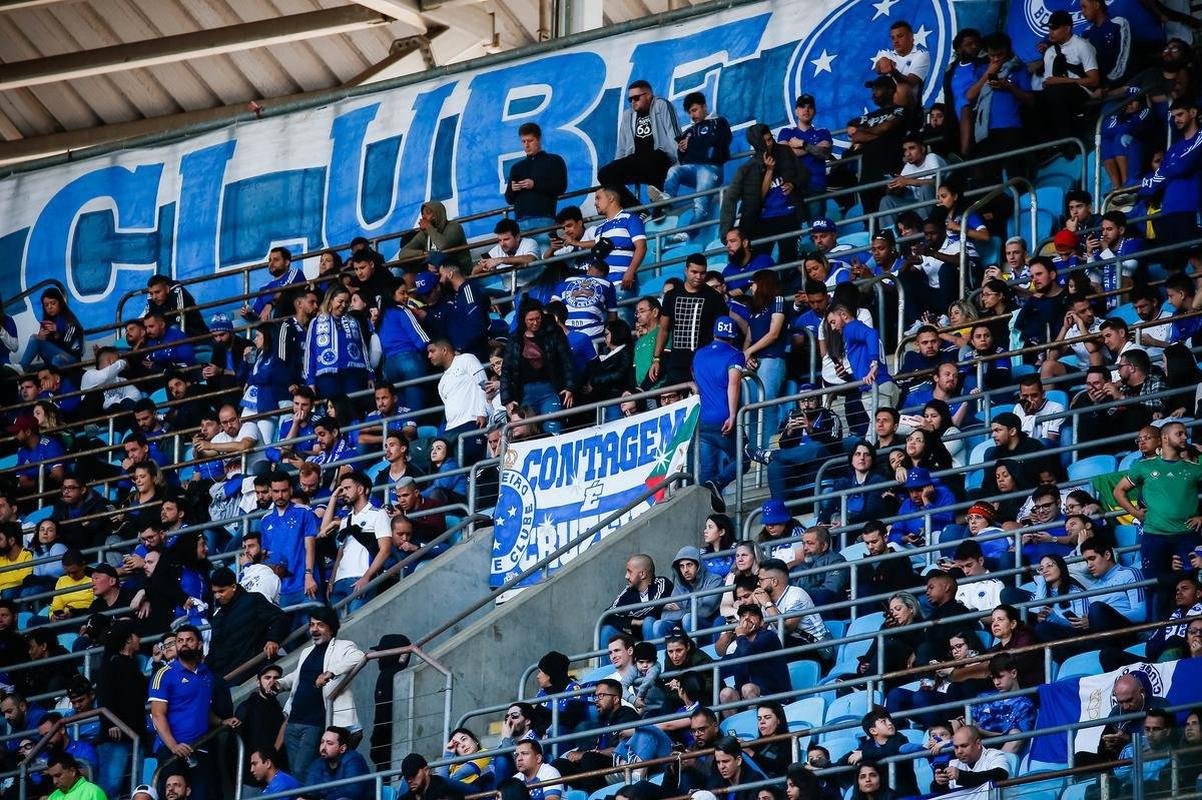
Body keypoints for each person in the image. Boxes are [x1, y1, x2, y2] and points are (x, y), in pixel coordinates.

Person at [1113, 420, 1202, 614]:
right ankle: (1158, 634)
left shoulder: (1194, 469)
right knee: (1155, 588)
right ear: (1164, 438)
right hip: (1154, 537)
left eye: (1185, 434)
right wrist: (1135, 512)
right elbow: (1119, 491)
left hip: (1186, 536)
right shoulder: (1143, 467)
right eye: (1179, 433)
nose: (1185, 437)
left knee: (1189, 585)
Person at [149, 624, 237, 800]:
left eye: (189, 640)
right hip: (172, 750)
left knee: (206, 795)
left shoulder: (207, 674)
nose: (183, 644)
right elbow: (157, 715)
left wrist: (220, 722)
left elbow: (202, 708)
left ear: (199, 644)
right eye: (180, 641)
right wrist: (174, 746)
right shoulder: (164, 674)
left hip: (201, 747)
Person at [278, 607, 365, 781]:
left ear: (331, 628)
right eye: (311, 625)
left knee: (302, 771)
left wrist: (330, 672)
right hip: (294, 721)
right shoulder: (307, 651)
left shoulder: (343, 646)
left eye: (320, 625)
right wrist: (278, 684)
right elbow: (297, 676)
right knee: (296, 773)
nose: (314, 629)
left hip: (314, 722)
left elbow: (359, 656)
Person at [719, 124, 805, 265]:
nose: (769, 143)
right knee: (760, 262)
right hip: (761, 221)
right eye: (765, 141)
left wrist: (793, 184)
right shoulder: (747, 169)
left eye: (770, 139)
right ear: (756, 143)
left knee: (789, 260)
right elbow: (731, 198)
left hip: (789, 215)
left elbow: (803, 174)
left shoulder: (785, 152)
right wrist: (726, 232)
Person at [654, 91, 732, 242]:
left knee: (700, 204)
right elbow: (684, 158)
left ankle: (689, 233)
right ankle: (667, 198)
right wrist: (683, 149)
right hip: (694, 169)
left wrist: (694, 146)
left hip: (711, 169)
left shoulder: (719, 122)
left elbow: (719, 147)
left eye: (695, 110)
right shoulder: (689, 131)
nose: (692, 115)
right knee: (674, 170)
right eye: (689, 112)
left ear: (704, 107)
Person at [598, 80, 681, 210]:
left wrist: (677, 164)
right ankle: (638, 210)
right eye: (630, 99)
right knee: (604, 174)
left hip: (660, 157)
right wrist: (618, 167)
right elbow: (622, 147)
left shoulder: (662, 105)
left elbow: (674, 134)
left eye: (636, 98)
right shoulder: (628, 115)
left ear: (648, 95)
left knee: (655, 158)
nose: (633, 102)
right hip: (637, 160)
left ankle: (661, 208)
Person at [691, 315, 746, 507]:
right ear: (733, 335)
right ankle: (718, 483)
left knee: (707, 469)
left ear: (714, 332)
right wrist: (732, 414)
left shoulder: (699, 354)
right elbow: (734, 383)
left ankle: (706, 510)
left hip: (702, 418)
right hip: (723, 417)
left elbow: (696, 383)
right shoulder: (735, 354)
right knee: (745, 456)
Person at [206, 567, 289, 682]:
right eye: (214, 592)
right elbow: (215, 648)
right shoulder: (218, 616)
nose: (217, 596)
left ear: (234, 586)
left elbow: (279, 617)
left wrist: (273, 639)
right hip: (226, 676)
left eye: (221, 591)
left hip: (250, 672)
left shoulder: (253, 600)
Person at [1036, 10, 1101, 149]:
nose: (1050, 32)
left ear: (1067, 28)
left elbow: (1094, 80)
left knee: (1057, 93)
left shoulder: (1082, 46)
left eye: (1054, 28)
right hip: (1057, 93)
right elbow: (1048, 81)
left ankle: (1066, 144)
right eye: (1049, 28)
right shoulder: (1050, 52)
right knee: (1035, 99)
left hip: (1082, 92)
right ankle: (1046, 146)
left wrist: (1062, 81)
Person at [505, 123, 567, 249]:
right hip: (521, 222)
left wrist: (534, 184)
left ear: (539, 139)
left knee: (546, 255)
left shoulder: (554, 160)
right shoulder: (517, 167)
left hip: (544, 218)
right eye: (523, 141)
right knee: (528, 258)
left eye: (530, 140)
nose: (526, 145)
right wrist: (513, 189)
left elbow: (560, 187)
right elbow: (509, 198)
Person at [599, 554, 674, 643]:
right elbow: (606, 616)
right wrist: (633, 621)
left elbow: (654, 609)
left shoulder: (661, 583)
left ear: (642, 574)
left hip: (662, 633)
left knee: (648, 621)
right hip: (635, 637)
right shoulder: (628, 591)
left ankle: (653, 656)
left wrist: (630, 613)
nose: (626, 576)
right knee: (606, 631)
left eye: (629, 572)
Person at [931, 726, 1010, 798]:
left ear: (978, 744)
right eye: (956, 747)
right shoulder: (954, 763)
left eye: (964, 746)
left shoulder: (994, 755)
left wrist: (961, 776)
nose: (959, 751)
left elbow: (1001, 774)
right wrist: (939, 783)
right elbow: (946, 795)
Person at [304, 726, 372, 800]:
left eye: (329, 743)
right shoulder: (318, 763)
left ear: (342, 748)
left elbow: (352, 792)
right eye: (322, 742)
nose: (323, 747)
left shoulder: (354, 759)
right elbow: (310, 790)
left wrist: (325, 797)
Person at [401, 201, 470, 273]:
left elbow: (443, 245)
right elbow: (403, 253)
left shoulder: (453, 226)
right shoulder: (425, 233)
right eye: (423, 214)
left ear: (438, 214)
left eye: (428, 213)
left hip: (459, 273)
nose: (424, 217)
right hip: (439, 276)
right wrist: (423, 253)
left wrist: (428, 227)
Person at [712, 735, 767, 800]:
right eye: (718, 762)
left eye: (725, 761)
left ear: (738, 760)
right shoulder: (718, 780)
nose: (721, 767)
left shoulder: (755, 782)